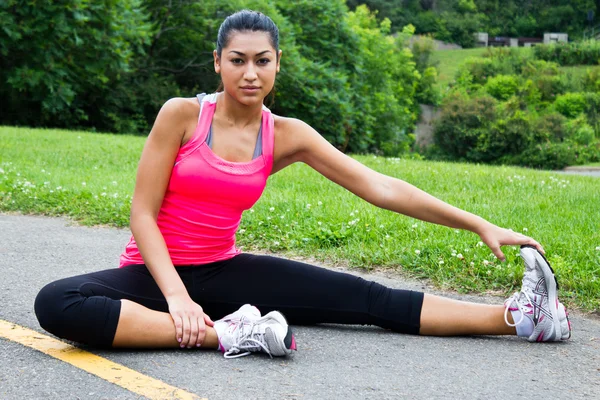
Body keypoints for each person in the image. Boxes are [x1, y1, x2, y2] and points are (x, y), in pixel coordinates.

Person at [34, 10, 571, 359]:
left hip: (225, 271)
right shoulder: (181, 116)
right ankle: (235, 334)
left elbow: (380, 186)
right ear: (218, 63)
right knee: (57, 302)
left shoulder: (286, 136)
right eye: (237, 61)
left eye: (261, 61)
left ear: (277, 65)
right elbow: (142, 215)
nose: (250, 73)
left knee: (365, 299)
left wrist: (479, 223)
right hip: (155, 276)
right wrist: (177, 299)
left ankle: (520, 318)